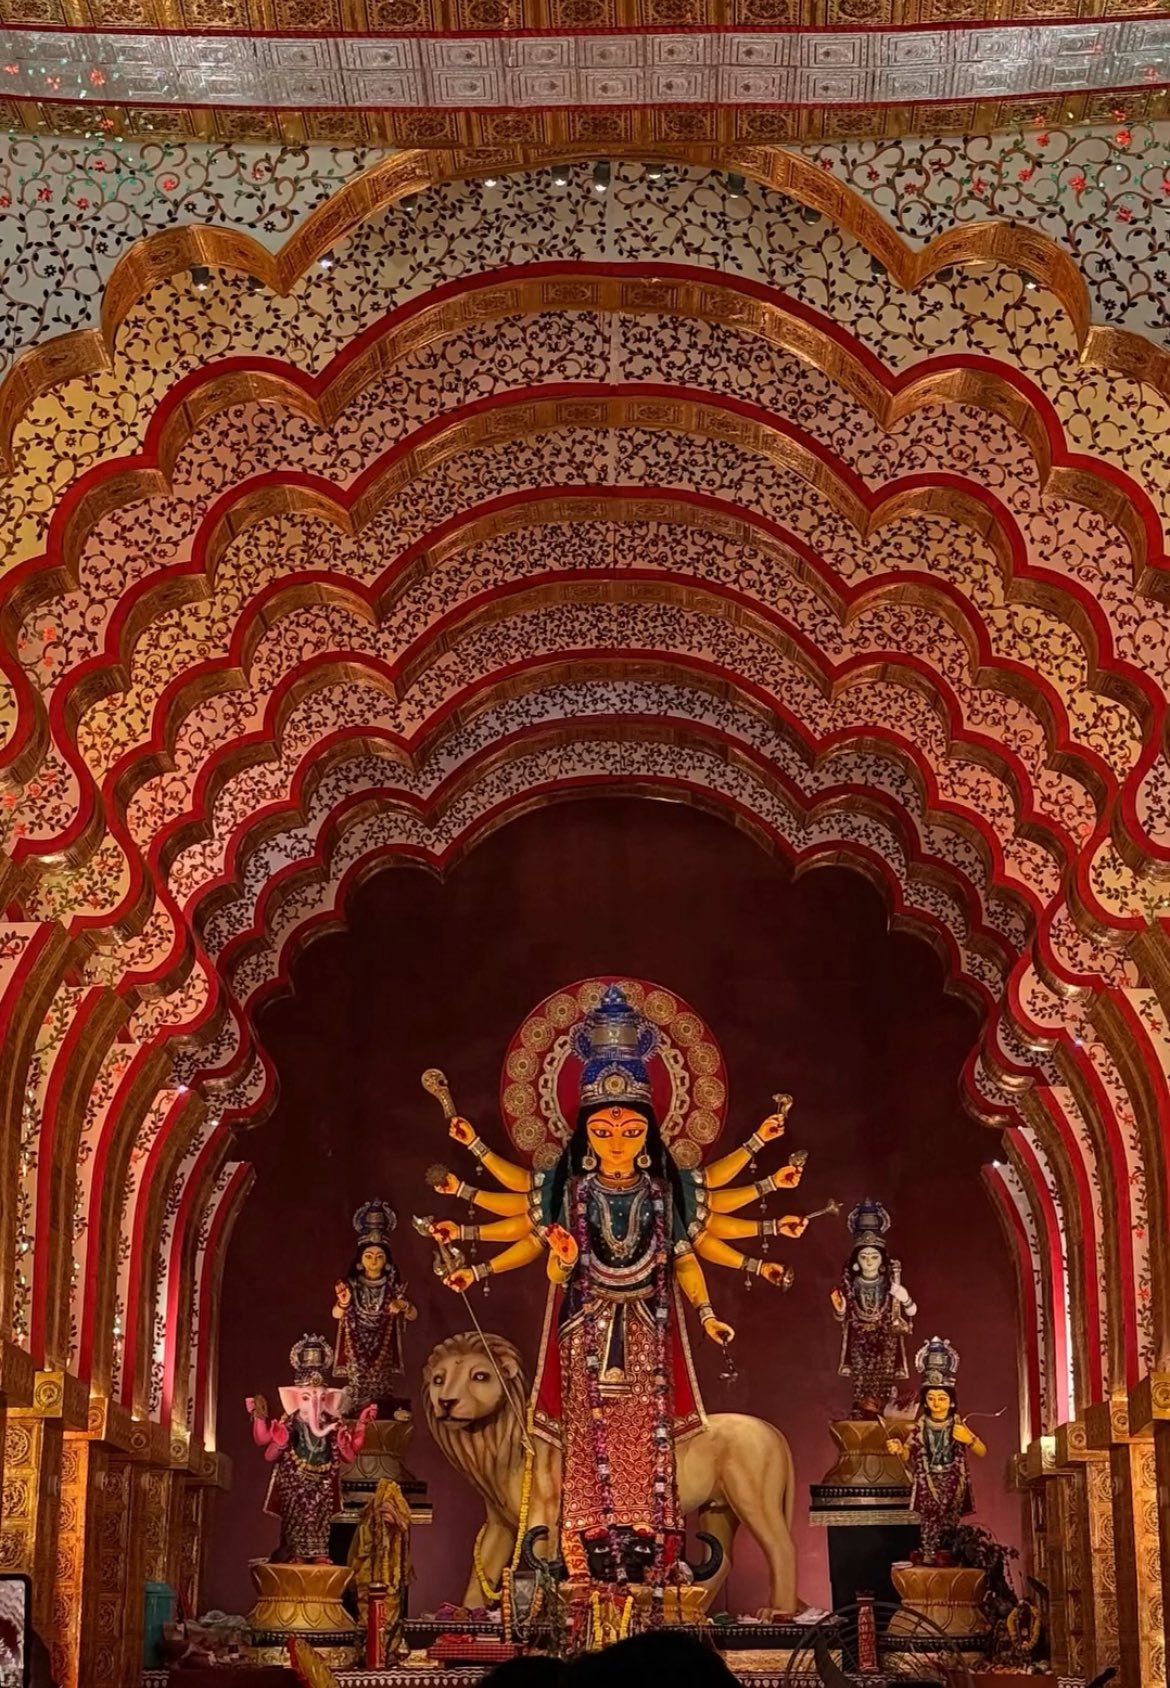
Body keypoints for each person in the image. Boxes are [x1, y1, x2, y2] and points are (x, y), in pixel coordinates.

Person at [431, 985, 806, 1589]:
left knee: (648, 1445)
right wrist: (561, 1260)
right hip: (585, 1333)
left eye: (629, 1130)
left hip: (648, 1333)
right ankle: (586, 1558)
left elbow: (682, 1259)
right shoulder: (570, 1193)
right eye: (603, 1131)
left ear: (647, 1133)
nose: (616, 1141)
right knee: (590, 1449)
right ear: (585, 1135)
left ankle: (649, 1555)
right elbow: (555, 1269)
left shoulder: (661, 1193)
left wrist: (707, 1314)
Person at [886, 1336, 986, 1563]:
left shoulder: (957, 1425)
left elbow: (982, 1451)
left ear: (951, 1401)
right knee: (929, 1524)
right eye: (931, 1398)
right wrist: (899, 1449)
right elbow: (908, 1453)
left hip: (953, 1479)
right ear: (925, 1401)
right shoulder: (920, 1426)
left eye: (942, 1398)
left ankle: (948, 1553)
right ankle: (929, 1554)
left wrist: (970, 1439)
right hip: (928, 1479)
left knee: (950, 1524)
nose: (936, 1403)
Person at [830, 1199, 915, 1418]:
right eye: (864, 1257)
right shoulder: (852, 1284)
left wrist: (904, 1298)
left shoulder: (890, 1284)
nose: (869, 1262)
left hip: (886, 1337)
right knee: (862, 1386)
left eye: (874, 1257)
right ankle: (862, 1415)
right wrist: (840, 1308)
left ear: (882, 1261)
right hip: (859, 1338)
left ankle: (884, 1415)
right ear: (856, 1261)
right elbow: (844, 1316)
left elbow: (911, 1312)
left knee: (884, 1385)